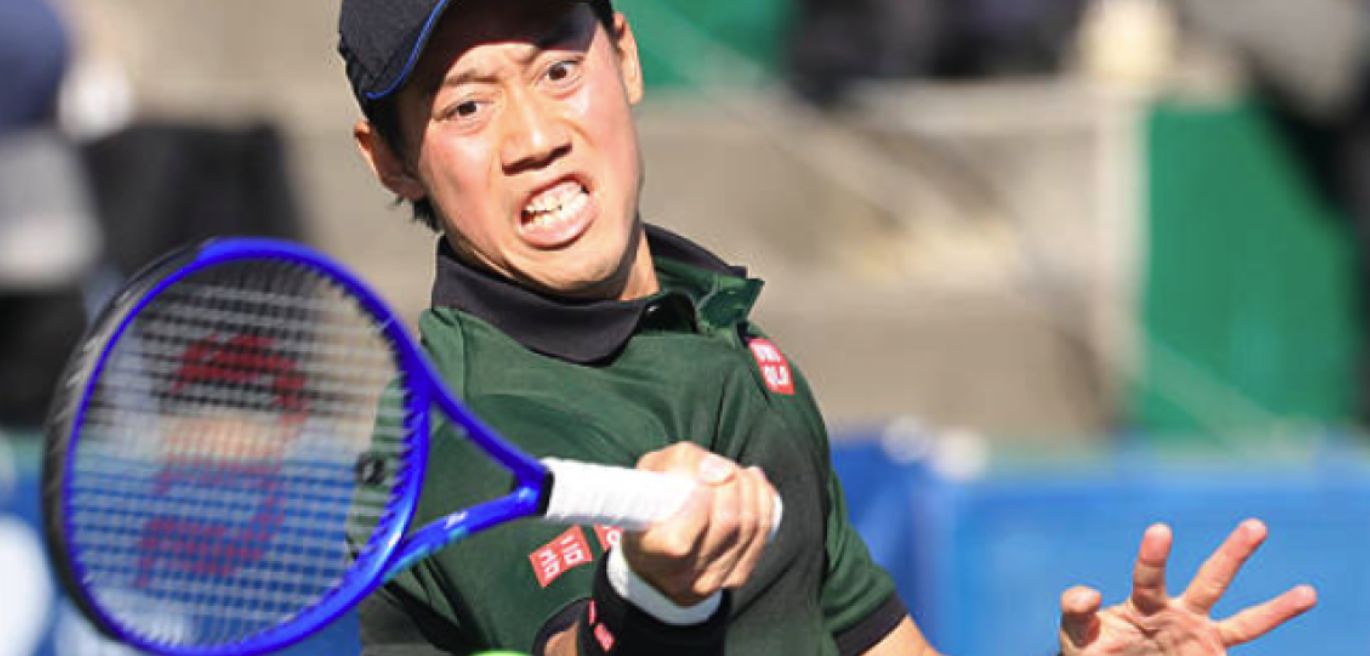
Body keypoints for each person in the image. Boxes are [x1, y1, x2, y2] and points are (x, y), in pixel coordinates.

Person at [336, 0, 1317, 653]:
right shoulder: (449, 435)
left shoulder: (724, 331)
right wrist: (650, 593)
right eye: (468, 106)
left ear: (625, 56)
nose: (534, 136)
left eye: (557, 70)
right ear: (390, 160)